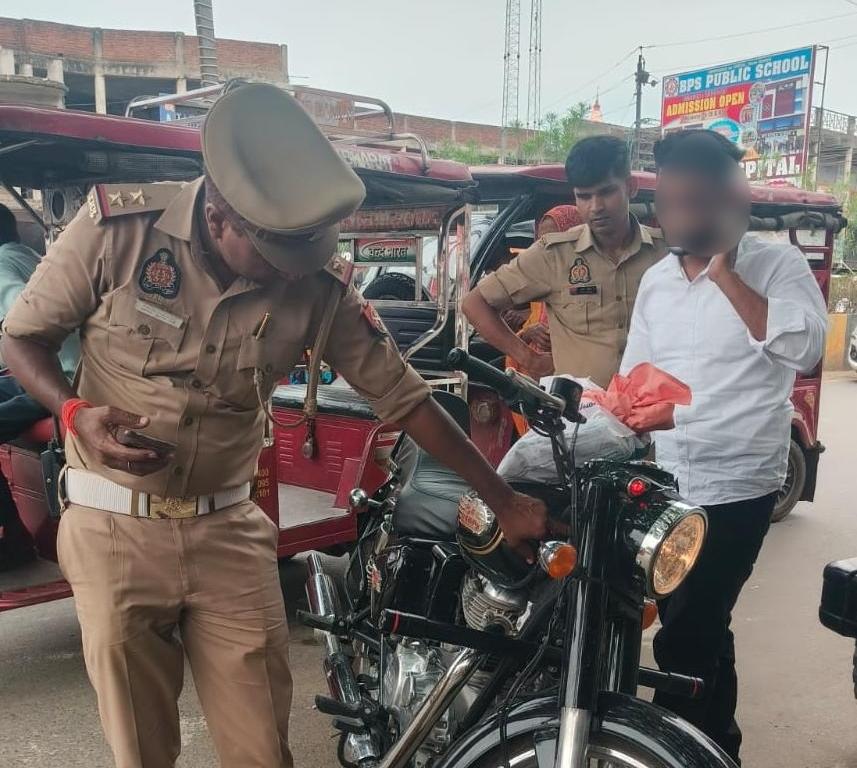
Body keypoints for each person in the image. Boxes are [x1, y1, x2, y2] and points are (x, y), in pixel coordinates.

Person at [1, 83, 547, 768]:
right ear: (220, 214)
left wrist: (503, 499)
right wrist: (74, 412)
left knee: (263, 749)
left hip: (229, 532)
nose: (290, 274)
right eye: (275, 256)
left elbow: (404, 399)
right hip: (114, 528)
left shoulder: (312, 278)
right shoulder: (118, 231)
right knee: (140, 752)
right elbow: (22, 339)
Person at [621, 129, 827, 762]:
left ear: (727, 201)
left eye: (697, 201)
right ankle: (720, 748)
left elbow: (807, 349)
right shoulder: (656, 281)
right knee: (704, 626)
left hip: (739, 486)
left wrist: (726, 275)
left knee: (684, 639)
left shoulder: (776, 267)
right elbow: (636, 377)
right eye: (672, 202)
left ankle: (671, 750)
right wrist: (620, 410)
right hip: (669, 483)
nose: (681, 215)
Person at [462, 135, 667, 388]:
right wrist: (529, 358)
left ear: (630, 187)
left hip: (657, 407)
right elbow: (474, 304)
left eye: (606, 192)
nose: (596, 207)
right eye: (584, 196)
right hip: (581, 410)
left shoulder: (666, 252)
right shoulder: (555, 255)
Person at [0, 204, 80, 569]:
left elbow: (23, 321)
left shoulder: (3, 265)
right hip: (49, 371)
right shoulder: (28, 256)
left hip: (56, 378)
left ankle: (12, 541)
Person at [507, 205, 583, 435]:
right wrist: (528, 333)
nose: (545, 245)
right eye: (541, 239)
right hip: (536, 385)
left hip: (574, 389)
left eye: (553, 237)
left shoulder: (588, 283)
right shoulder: (538, 283)